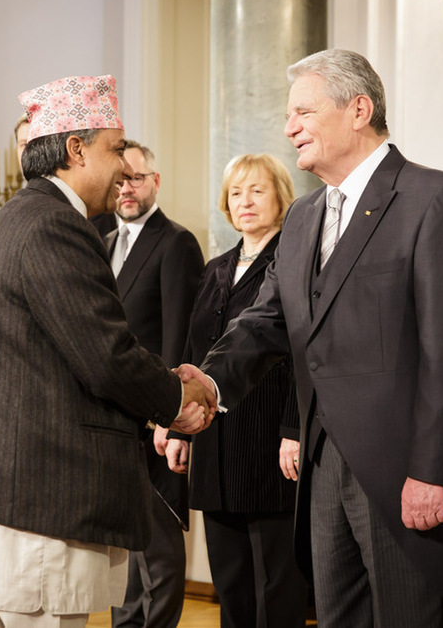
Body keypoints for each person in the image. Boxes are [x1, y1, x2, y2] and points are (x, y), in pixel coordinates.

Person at [180, 49, 443, 628]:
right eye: (287, 114)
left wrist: (432, 471)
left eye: (303, 111)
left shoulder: (434, 199)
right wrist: (206, 381)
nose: (288, 126)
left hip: (403, 473)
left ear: (359, 109)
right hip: (321, 471)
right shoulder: (302, 218)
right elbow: (265, 321)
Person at [0, 74, 216, 628]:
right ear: (75, 149)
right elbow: (106, 356)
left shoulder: (22, 216)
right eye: (116, 149)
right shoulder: (55, 226)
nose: (123, 167)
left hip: (17, 497)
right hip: (42, 503)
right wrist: (179, 396)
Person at [166, 154, 308, 628]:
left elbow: (301, 354)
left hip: (269, 442)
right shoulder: (216, 267)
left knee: (276, 584)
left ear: (281, 197)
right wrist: (180, 429)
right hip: (214, 444)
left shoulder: (294, 260)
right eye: (235, 193)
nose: (244, 201)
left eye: (257, 191)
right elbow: (194, 350)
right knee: (230, 581)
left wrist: (295, 428)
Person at [106, 141, 204, 628]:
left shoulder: (176, 242)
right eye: (119, 180)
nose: (126, 188)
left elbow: (182, 338)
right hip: (115, 420)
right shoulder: (103, 242)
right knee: (125, 543)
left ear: (156, 181)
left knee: (160, 543)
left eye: (136, 178)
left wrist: (172, 418)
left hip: (157, 419)